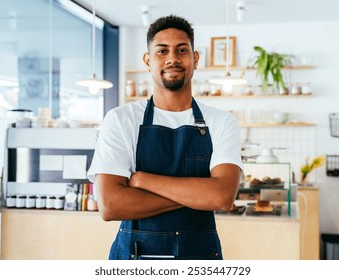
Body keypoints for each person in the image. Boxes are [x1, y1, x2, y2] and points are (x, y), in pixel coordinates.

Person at [87, 15, 243, 260]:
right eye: (162, 51)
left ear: (195, 59)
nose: (173, 58)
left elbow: (222, 197)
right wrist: (197, 196)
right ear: (148, 61)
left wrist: (142, 180)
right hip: (135, 258)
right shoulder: (120, 119)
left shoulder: (222, 122)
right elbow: (110, 206)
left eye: (182, 50)